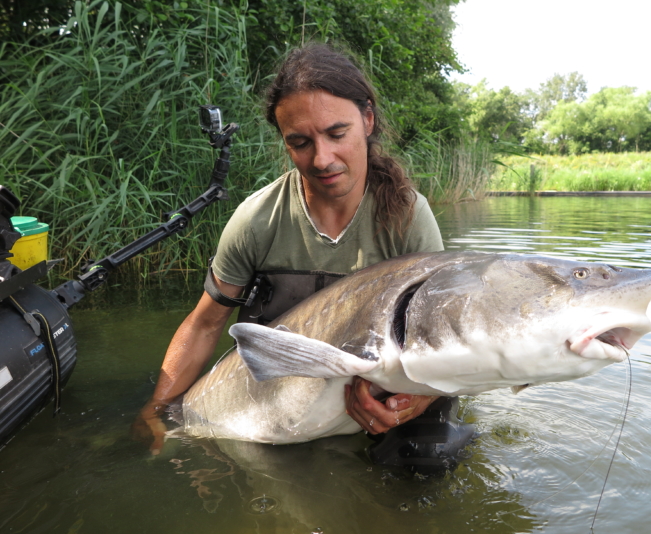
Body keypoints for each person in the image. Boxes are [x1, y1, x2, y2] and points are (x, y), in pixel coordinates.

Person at [135, 43, 444, 455]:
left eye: (337, 134)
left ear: (367, 120)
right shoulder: (255, 221)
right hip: (278, 400)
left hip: (376, 397)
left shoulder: (409, 217)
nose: (322, 158)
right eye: (300, 142)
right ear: (285, 142)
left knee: (429, 457)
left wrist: (417, 400)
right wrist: (157, 411)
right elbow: (205, 325)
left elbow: (441, 338)